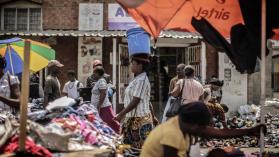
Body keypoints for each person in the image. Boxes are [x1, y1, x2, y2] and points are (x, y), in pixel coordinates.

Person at [140, 101, 266, 157]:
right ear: (194, 124)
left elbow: (219, 133)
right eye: (201, 126)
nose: (203, 130)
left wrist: (249, 131)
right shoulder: (171, 133)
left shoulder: (183, 124)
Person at [114, 54, 154, 148]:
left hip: (140, 120)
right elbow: (147, 100)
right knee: (129, 148)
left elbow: (135, 101)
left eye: (133, 63)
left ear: (140, 66)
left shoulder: (141, 80)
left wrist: (121, 114)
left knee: (141, 149)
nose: (131, 65)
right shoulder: (136, 79)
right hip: (132, 119)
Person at [91, 66, 120, 133]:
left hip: (104, 108)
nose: (93, 75)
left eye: (94, 73)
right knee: (102, 124)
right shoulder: (99, 81)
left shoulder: (101, 81)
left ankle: (120, 134)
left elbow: (103, 94)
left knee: (112, 123)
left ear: (98, 73)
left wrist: (99, 106)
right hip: (101, 108)